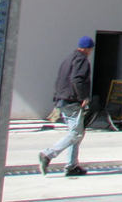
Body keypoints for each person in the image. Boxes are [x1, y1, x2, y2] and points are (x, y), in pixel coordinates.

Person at [38, 36, 94, 177]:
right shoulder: (82, 60)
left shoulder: (68, 59)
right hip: (72, 101)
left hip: (62, 99)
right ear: (88, 49)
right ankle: (48, 154)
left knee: (75, 133)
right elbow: (77, 79)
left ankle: (72, 166)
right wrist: (83, 97)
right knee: (76, 133)